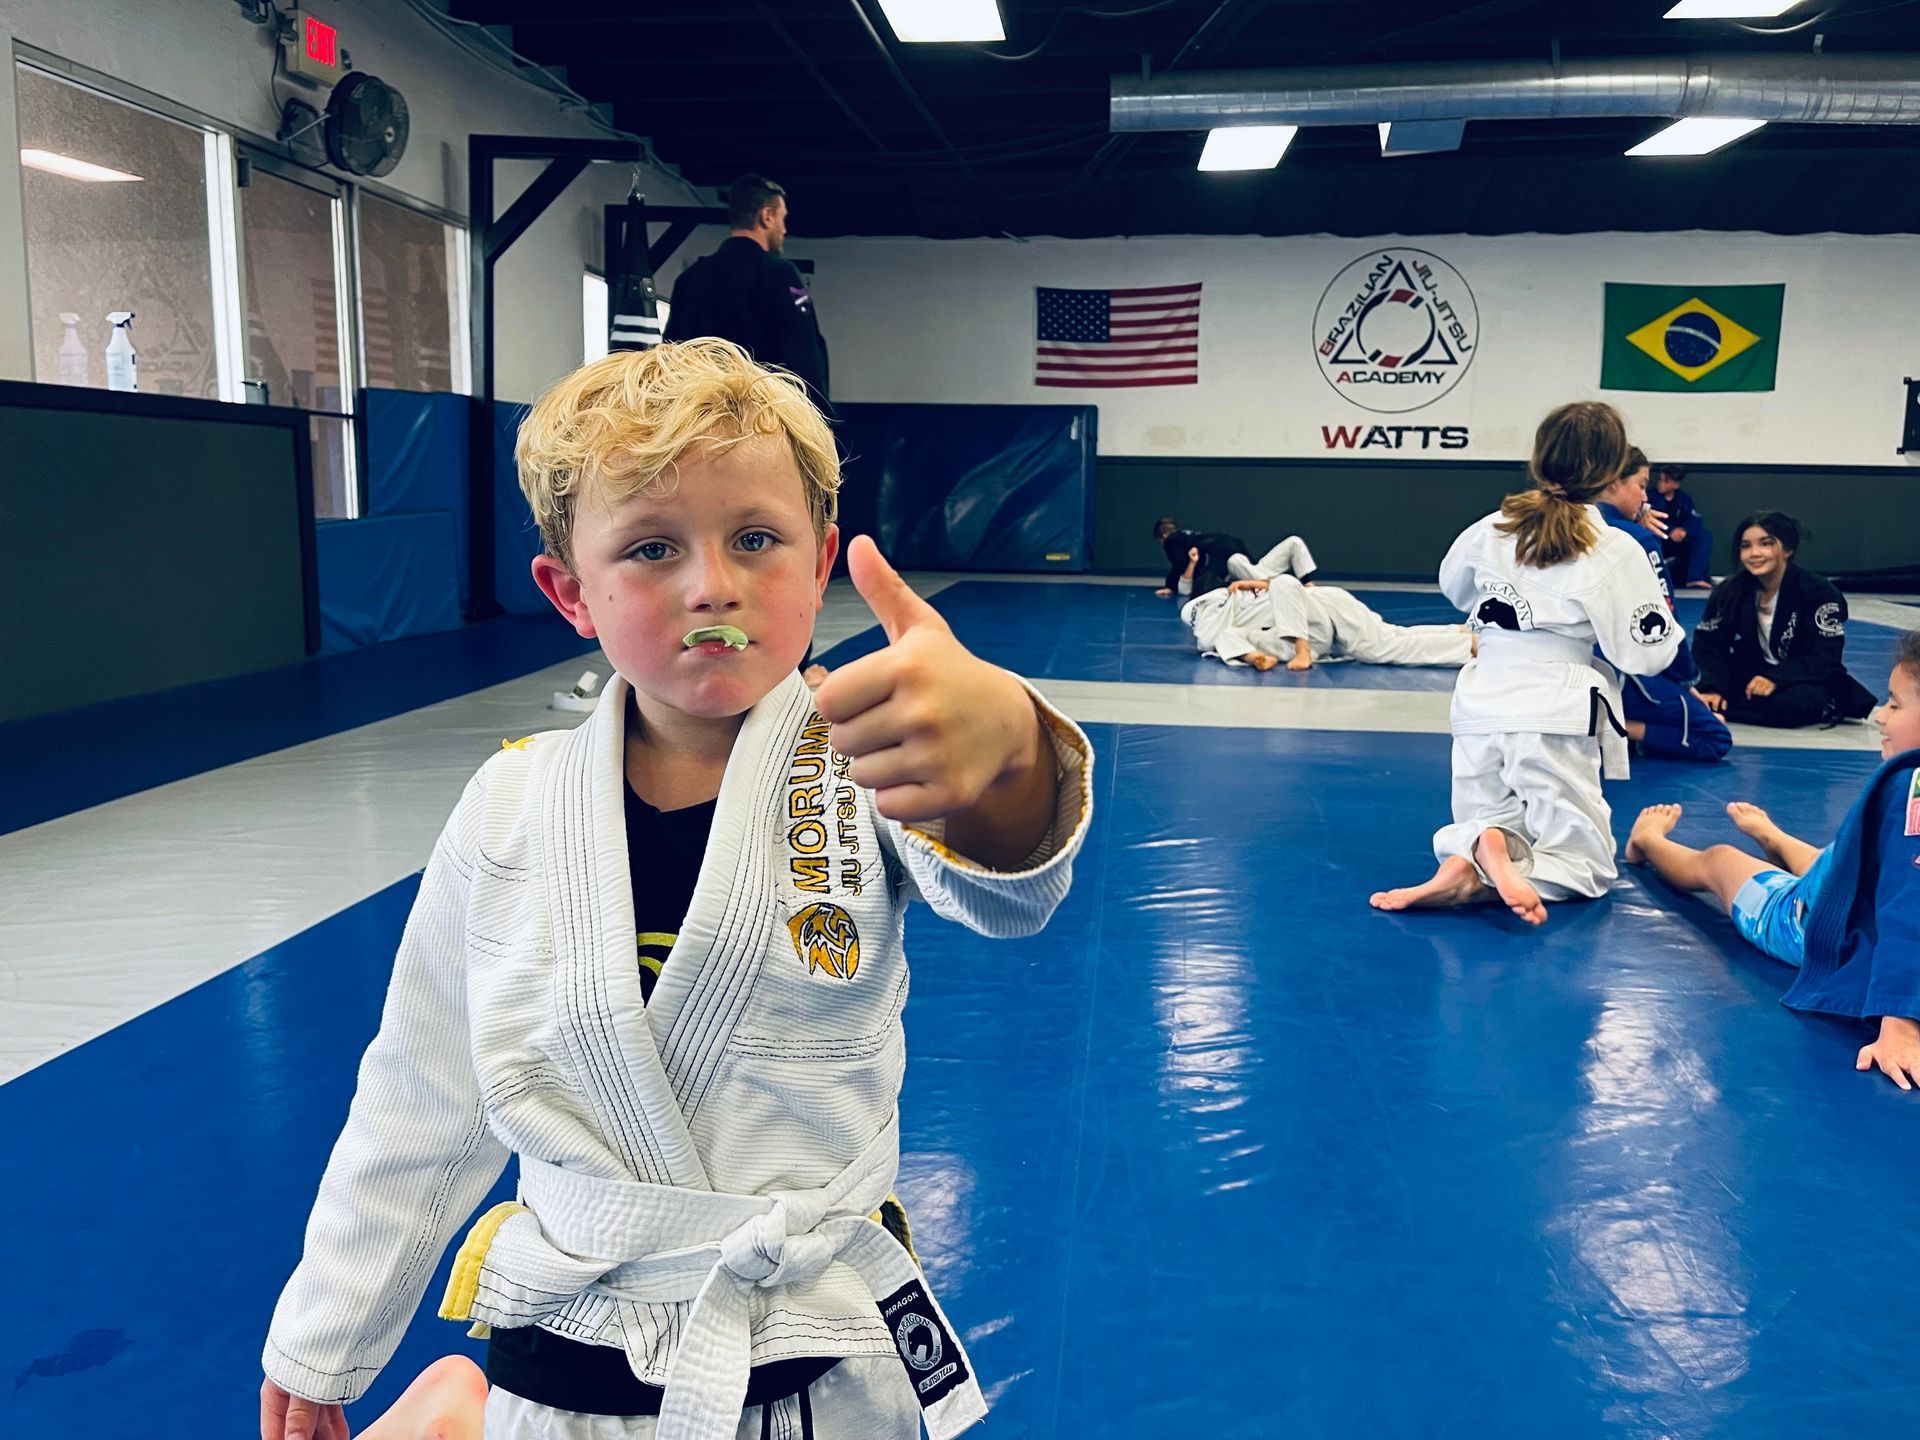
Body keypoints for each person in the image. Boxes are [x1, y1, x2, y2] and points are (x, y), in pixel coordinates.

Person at [259, 339, 1094, 1440]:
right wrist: (330, 1330)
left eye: (756, 538)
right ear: (572, 596)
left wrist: (1006, 757)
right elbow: (427, 1089)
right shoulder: (509, 807)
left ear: (821, 558)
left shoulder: (871, 759)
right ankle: (454, 1406)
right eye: (651, 548)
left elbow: (1009, 896)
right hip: (568, 1347)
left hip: (801, 1350)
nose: (712, 585)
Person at [1369, 401, 1681, 926]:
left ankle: (1474, 850)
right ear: (1610, 474)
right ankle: (1486, 872)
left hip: (1479, 701)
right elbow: (1645, 655)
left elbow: (1455, 587)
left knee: (1495, 814)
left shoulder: (1490, 527)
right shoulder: (1613, 546)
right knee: (1588, 864)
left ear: (1538, 459)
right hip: (1554, 709)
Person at [1625, 630, 1920, 1088]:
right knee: (1823, 864)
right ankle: (1745, 839)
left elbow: (1909, 906)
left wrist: (1900, 1020)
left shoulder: (1912, 790)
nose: (1880, 715)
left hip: (1810, 917)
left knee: (1721, 860)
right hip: (1841, 885)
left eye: (1896, 705)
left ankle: (1662, 839)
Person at [1593, 447, 1731, 763]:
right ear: (1614, 481)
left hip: (1558, 671)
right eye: (1641, 485)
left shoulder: (1562, 528)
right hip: (1618, 671)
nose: (1646, 498)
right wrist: (1686, 682)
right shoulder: (1634, 539)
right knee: (1714, 736)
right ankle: (1609, 726)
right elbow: (1662, 617)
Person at [664, 174, 831, 417]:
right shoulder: (779, 274)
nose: (784, 230)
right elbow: (803, 357)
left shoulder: (691, 278)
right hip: (763, 420)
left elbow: (673, 355)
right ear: (767, 217)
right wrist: (821, 424)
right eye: (782, 219)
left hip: (703, 421)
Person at [1693, 511, 1878, 728]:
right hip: (1754, 671)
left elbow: (1826, 655)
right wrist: (1713, 687)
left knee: (1789, 708)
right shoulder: (1730, 591)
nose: (1754, 553)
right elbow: (1709, 644)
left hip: (1806, 677)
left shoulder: (1819, 591)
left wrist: (1777, 678)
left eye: (1765, 544)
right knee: (1693, 694)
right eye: (1746, 546)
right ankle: (1720, 704)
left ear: (1787, 549)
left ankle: (1829, 703)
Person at [1187, 574, 1473, 672]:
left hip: (1327, 606)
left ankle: (1470, 647)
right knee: (1391, 635)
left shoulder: (1223, 609)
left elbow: (1286, 585)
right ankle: (1460, 632)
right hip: (1321, 616)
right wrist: (1254, 658)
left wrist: (1301, 650)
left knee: (1380, 648)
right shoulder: (1230, 620)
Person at [1654, 464, 1713, 589]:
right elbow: (1651, 518)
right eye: (1659, 480)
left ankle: (1695, 577)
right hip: (1659, 537)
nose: (1661, 484)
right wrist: (1670, 530)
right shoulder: (1650, 497)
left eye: (1666, 481)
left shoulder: (1684, 499)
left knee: (1704, 535)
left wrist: (1685, 531)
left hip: (1678, 540)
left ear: (1675, 484)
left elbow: (1694, 519)